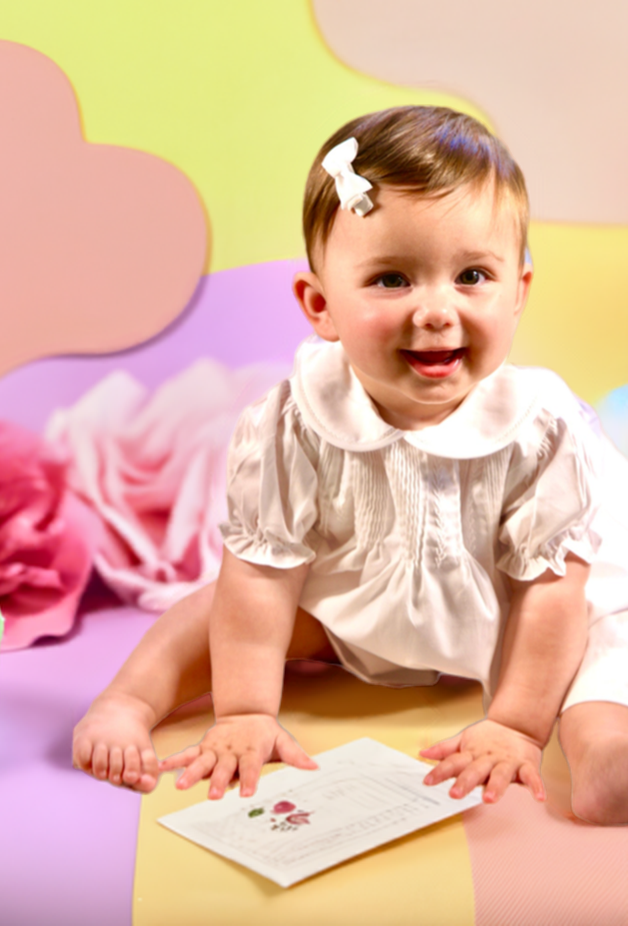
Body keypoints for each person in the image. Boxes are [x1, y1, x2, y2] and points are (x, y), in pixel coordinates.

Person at [71, 106, 628, 825]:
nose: (435, 310)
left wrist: (517, 724)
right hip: (360, 608)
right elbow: (262, 574)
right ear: (320, 305)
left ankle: (604, 748)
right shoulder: (293, 422)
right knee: (218, 608)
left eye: (472, 275)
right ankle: (128, 700)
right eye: (393, 279)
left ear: (517, 292)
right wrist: (244, 710)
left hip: (523, 615)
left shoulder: (541, 430)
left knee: (609, 637)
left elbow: (553, 591)